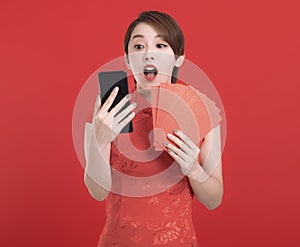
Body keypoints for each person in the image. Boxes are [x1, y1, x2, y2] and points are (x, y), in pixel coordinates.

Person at [84, 10, 223, 246]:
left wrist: (193, 169)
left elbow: (214, 199)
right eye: (139, 47)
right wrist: (99, 139)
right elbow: (97, 192)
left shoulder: (200, 109)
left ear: (178, 58)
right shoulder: (106, 107)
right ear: (128, 59)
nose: (149, 53)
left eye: (161, 45)